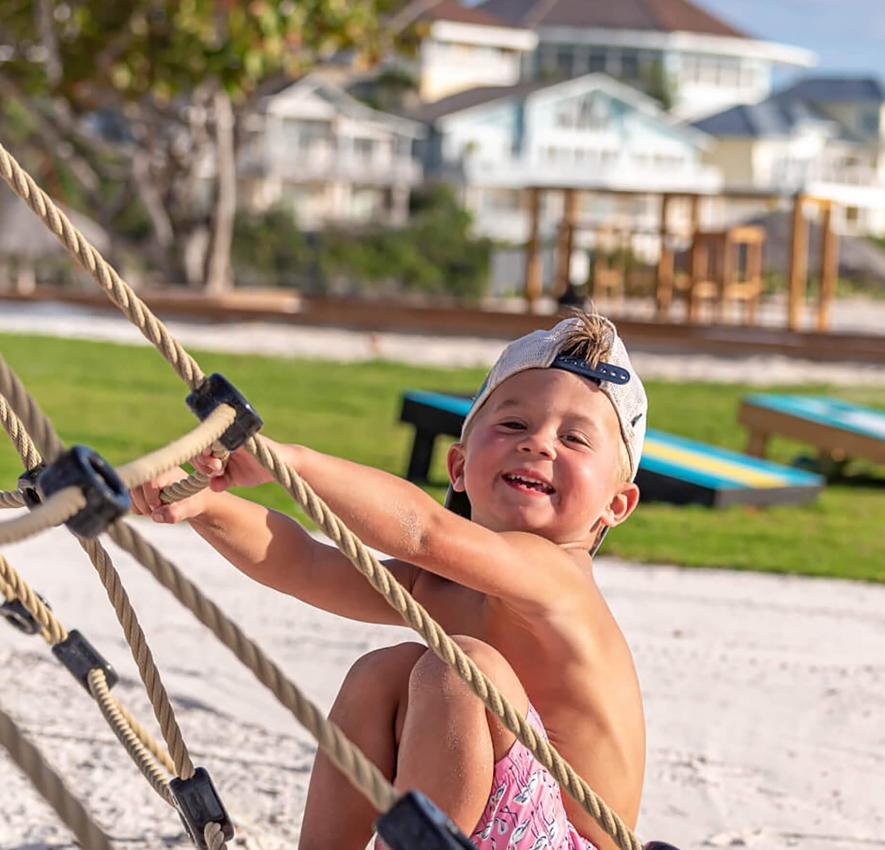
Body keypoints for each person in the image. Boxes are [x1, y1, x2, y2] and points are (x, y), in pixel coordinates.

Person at [130, 312, 649, 850]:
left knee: (464, 670)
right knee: (383, 672)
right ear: (459, 466)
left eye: (574, 438)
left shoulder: (560, 581)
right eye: (514, 425)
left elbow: (425, 532)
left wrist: (291, 464)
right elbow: (307, 565)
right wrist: (205, 504)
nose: (539, 444)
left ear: (616, 504)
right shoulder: (441, 591)